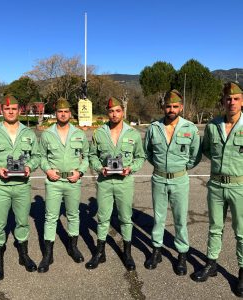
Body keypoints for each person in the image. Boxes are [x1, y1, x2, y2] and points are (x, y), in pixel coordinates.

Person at [0, 95, 40, 281]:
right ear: (1, 111)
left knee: (22, 222)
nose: (11, 111)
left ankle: (23, 255)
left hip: (22, 186)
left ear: (19, 110)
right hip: (0, 186)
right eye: (7, 109)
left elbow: (37, 156)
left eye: (14, 108)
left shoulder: (28, 133)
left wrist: (30, 166)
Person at [192, 82, 243, 296]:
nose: (231, 102)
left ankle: (242, 272)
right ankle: (211, 264)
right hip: (216, 185)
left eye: (236, 98)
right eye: (228, 99)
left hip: (240, 186)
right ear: (222, 101)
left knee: (241, 232)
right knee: (215, 227)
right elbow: (205, 151)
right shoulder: (212, 126)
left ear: (242, 101)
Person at [143, 89, 201, 275]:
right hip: (159, 178)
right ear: (163, 107)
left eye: (175, 106)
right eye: (168, 106)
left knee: (180, 219)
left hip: (180, 179)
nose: (171, 109)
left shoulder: (190, 128)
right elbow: (148, 153)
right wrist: (161, 167)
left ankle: (182, 254)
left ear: (181, 107)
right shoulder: (154, 128)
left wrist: (180, 168)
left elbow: (195, 155)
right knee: (159, 217)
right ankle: (156, 250)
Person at [86, 97, 145, 271]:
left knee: (125, 218)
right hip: (105, 181)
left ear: (123, 112)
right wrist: (99, 168)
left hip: (124, 182)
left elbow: (140, 157)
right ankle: (100, 252)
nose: (114, 114)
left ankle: (127, 253)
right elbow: (92, 156)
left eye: (117, 110)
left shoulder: (133, 134)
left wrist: (130, 168)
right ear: (107, 112)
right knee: (103, 217)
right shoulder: (99, 133)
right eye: (111, 111)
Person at [38, 97, 89, 273]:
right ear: (56, 113)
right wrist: (47, 170)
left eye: (66, 111)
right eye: (60, 112)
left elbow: (87, 156)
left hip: (73, 181)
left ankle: (72, 247)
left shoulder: (79, 134)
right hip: (54, 180)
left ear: (70, 113)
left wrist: (80, 172)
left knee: (73, 215)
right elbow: (41, 156)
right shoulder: (47, 134)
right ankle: (48, 254)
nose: (63, 114)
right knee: (50, 217)